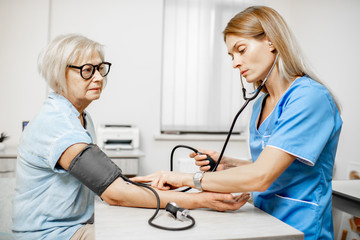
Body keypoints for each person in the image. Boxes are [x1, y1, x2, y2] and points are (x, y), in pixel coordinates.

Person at [131, 6, 343, 240]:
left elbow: (262, 176)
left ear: (271, 41)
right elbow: (274, 164)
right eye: (231, 56)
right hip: (262, 221)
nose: (235, 63)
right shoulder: (260, 104)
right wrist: (228, 164)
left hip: (301, 228)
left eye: (241, 50)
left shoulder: (310, 98)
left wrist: (182, 178)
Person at [11, 34, 249, 240]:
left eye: (100, 68)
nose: (98, 77)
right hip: (53, 235)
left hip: (75, 224)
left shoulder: (81, 118)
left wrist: (151, 179)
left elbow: (105, 179)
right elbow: (115, 194)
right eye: (87, 70)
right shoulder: (57, 123)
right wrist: (202, 200)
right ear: (58, 74)